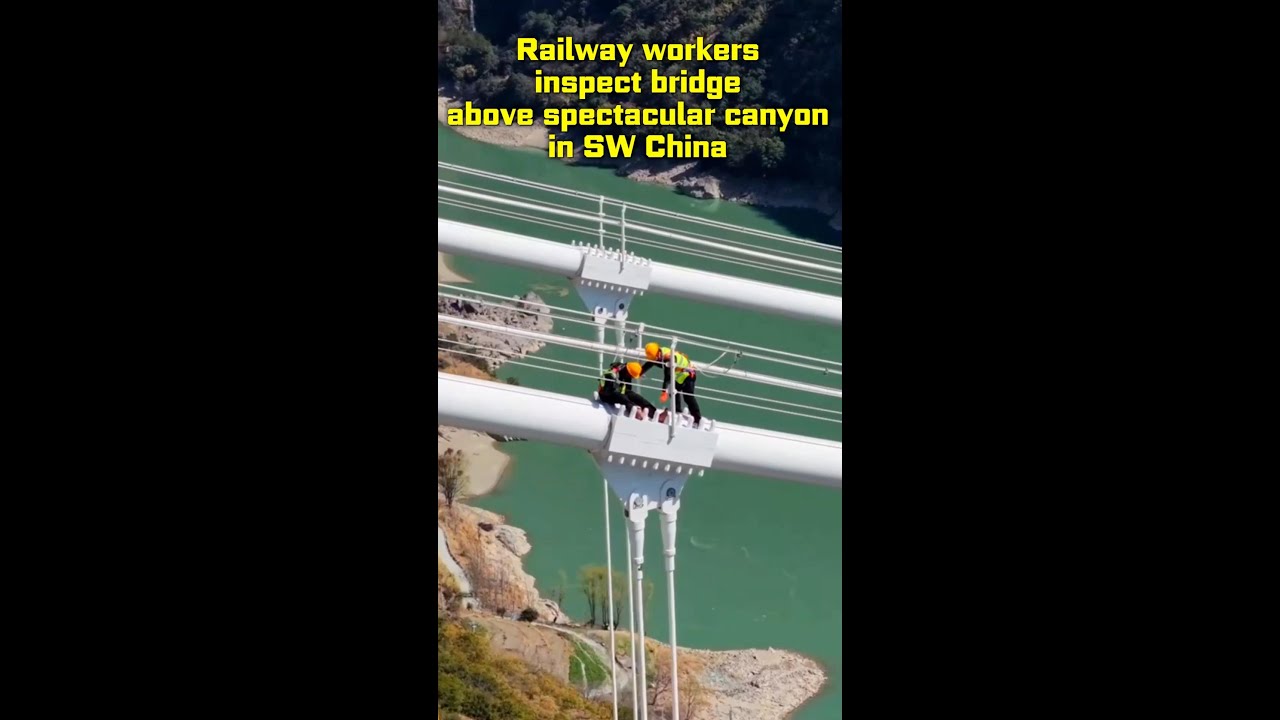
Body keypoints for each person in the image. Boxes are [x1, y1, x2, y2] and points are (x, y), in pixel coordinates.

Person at [640, 342, 703, 426]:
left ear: (658, 353)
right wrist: (640, 372)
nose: (655, 360)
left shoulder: (668, 358)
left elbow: (667, 377)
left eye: (655, 358)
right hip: (679, 375)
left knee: (688, 397)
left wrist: (663, 392)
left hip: (688, 374)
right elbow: (650, 363)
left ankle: (698, 419)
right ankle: (677, 411)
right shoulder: (658, 354)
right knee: (673, 391)